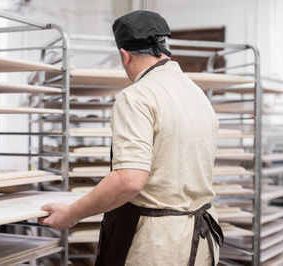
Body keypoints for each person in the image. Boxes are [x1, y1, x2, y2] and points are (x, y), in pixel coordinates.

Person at [38, 10, 223, 266]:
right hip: (202, 242)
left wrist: (71, 213)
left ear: (125, 56)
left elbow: (129, 180)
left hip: (160, 245)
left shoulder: (137, 96)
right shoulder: (197, 94)